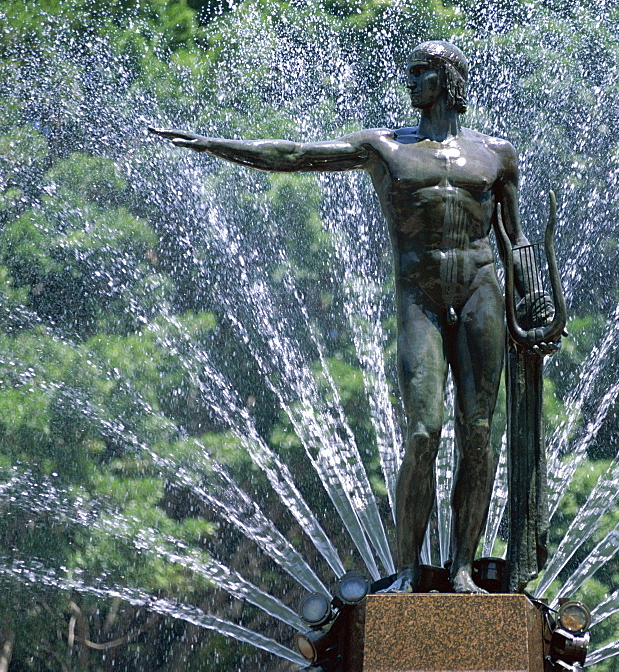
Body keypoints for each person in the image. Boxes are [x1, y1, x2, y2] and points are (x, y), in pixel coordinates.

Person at [150, 40, 557, 593]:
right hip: (421, 295)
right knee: (423, 430)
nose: (410, 82)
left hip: (483, 287)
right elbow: (295, 154)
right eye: (409, 73)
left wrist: (534, 305)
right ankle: (407, 569)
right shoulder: (383, 147)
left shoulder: (497, 154)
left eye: (421, 73)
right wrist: (216, 145)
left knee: (480, 431)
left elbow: (515, 237)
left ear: (449, 79)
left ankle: (462, 567)